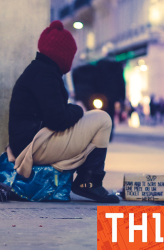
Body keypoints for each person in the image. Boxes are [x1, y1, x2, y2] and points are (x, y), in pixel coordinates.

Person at [8, 20, 119, 203]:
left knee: (96, 117)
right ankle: (89, 182)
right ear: (62, 54)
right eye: (71, 54)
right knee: (103, 119)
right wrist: (77, 110)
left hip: (32, 141)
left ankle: (88, 179)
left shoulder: (40, 70)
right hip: (32, 147)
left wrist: (74, 111)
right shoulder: (45, 74)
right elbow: (57, 119)